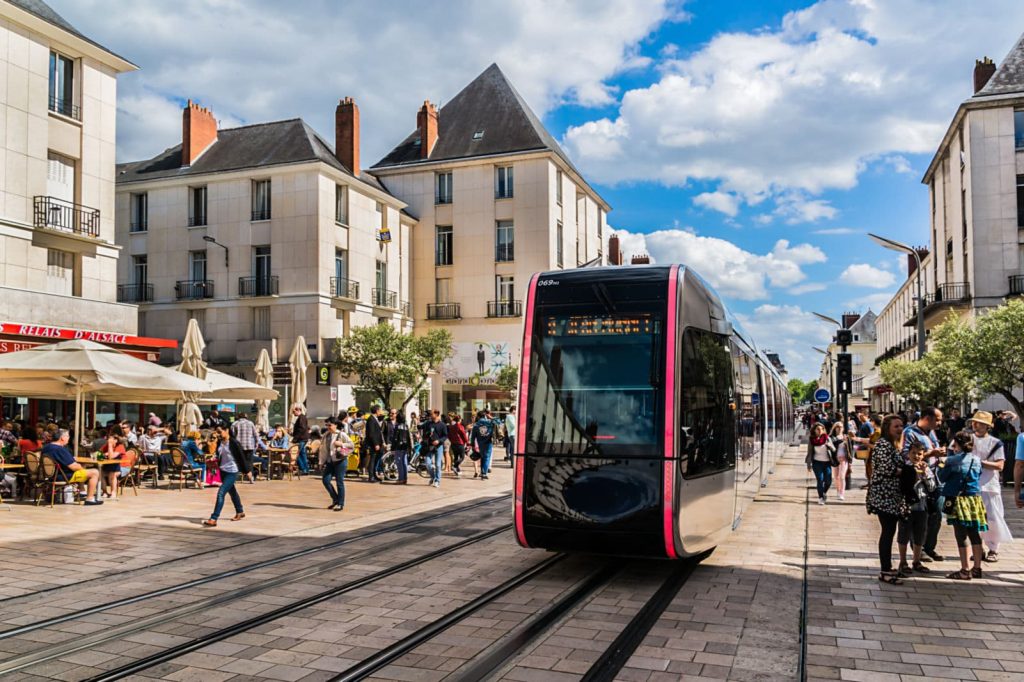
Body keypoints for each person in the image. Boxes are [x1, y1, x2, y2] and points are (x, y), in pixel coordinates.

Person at [866, 414, 910, 585]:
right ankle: (885, 570)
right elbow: (887, 469)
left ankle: (887, 567)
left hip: (891, 495)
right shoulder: (884, 445)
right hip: (884, 496)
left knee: (889, 531)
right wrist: (908, 471)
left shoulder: (891, 445)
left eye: (901, 426)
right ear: (887, 429)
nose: (900, 429)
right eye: (896, 427)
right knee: (887, 532)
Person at [938, 431, 988, 580]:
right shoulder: (977, 460)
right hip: (974, 499)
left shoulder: (952, 461)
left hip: (957, 499)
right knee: (974, 533)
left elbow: (941, 477)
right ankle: (977, 568)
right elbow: (978, 475)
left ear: (957, 444)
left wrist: (941, 462)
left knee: (961, 534)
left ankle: (965, 570)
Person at [902, 407, 946, 562]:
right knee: (920, 515)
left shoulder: (932, 433)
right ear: (927, 418)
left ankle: (929, 547)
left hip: (935, 478)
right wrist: (930, 454)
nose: (940, 423)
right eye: (938, 419)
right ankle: (917, 549)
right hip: (919, 481)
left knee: (937, 513)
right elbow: (907, 457)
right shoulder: (910, 433)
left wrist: (940, 455)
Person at [969, 411, 1012, 562]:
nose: (975, 424)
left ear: (987, 426)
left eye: (979, 422)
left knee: (993, 518)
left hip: (989, 486)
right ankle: (977, 548)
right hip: (971, 486)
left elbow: (1000, 465)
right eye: (974, 421)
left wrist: (979, 462)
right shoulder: (968, 439)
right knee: (974, 520)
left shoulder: (995, 443)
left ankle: (993, 549)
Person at [896, 442, 937, 576]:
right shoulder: (904, 467)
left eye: (919, 454)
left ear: (923, 455)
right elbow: (901, 486)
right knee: (904, 534)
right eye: (913, 453)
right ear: (908, 454)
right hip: (906, 505)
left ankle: (916, 560)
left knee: (920, 534)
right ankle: (902, 561)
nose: (916, 456)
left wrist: (925, 474)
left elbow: (932, 487)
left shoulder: (926, 468)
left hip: (922, 506)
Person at [203, 424, 249, 527]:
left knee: (221, 493)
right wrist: (213, 459)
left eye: (220, 432)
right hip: (222, 470)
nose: (218, 434)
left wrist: (247, 471)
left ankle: (214, 518)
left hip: (232, 471)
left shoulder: (234, 443)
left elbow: (242, 457)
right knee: (232, 492)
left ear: (226, 430)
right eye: (217, 432)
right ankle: (240, 511)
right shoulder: (220, 442)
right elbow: (218, 454)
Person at [42, 429, 102, 505]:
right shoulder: (60, 449)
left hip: (50, 475)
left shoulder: (46, 447)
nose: (69, 437)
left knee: (83, 469)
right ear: (62, 438)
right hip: (63, 476)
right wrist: (81, 468)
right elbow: (74, 467)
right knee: (94, 472)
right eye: (67, 436)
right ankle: (90, 499)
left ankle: (82, 491)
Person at [320, 420, 352, 511]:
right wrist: (321, 462)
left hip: (340, 461)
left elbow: (351, 445)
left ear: (336, 425)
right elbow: (323, 450)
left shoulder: (341, 434)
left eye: (330, 425)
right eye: (327, 425)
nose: (328, 427)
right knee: (326, 480)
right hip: (330, 461)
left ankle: (340, 503)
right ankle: (335, 499)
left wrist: (341, 444)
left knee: (339, 482)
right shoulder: (326, 435)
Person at [805, 423, 835, 505]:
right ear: (814, 430)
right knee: (820, 480)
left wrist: (829, 446)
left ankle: (824, 492)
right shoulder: (812, 440)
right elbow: (810, 453)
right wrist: (809, 465)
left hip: (827, 463)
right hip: (817, 463)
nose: (820, 430)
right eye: (818, 429)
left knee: (828, 481)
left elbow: (834, 449)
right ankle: (821, 497)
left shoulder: (827, 438)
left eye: (822, 429)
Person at [98, 429, 128, 499]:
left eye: (110, 439)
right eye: (108, 439)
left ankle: (113, 493)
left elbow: (111, 457)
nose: (109, 440)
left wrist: (110, 446)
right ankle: (104, 492)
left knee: (112, 474)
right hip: (110, 466)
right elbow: (99, 453)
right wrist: (104, 453)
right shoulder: (107, 445)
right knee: (99, 473)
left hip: (123, 467)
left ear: (116, 440)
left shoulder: (120, 446)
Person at [230, 412, 259, 483]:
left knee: (238, 462)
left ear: (238, 417)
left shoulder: (235, 424)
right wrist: (256, 443)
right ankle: (250, 478)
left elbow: (232, 436)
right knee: (249, 462)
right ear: (246, 417)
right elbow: (256, 434)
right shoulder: (251, 423)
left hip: (239, 447)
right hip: (249, 445)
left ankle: (235, 478)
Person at [471, 410, 497, 480]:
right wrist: (490, 417)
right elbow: (499, 422)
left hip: (480, 444)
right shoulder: (489, 422)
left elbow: (473, 437)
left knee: (483, 457)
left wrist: (472, 445)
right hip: (488, 443)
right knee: (487, 458)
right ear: (485, 416)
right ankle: (484, 473)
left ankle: (482, 472)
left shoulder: (476, 425)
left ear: (478, 416)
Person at [828, 422, 851, 502]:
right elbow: (832, 446)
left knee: (842, 477)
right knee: (836, 477)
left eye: (841, 426)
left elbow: (851, 448)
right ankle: (838, 491)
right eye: (837, 426)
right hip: (835, 459)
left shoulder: (846, 437)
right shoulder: (831, 437)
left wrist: (850, 460)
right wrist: (842, 441)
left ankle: (842, 494)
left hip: (844, 459)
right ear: (834, 428)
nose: (839, 428)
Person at [425, 410, 448, 487]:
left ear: (437, 414)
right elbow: (425, 433)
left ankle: (437, 480)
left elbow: (445, 436)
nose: (430, 415)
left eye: (432, 414)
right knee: (428, 463)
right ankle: (433, 477)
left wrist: (439, 441)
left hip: (439, 446)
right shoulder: (429, 424)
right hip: (430, 446)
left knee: (438, 464)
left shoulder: (442, 425)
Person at [364, 405, 385, 483]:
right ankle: (371, 476)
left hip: (378, 443)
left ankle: (374, 475)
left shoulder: (375, 419)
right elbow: (371, 433)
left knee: (376, 459)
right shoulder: (371, 420)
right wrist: (376, 444)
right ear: (377, 411)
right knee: (372, 460)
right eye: (380, 410)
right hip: (373, 444)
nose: (381, 411)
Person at [391, 412, 412, 484]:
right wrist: (409, 447)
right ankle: (405, 478)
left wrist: (392, 448)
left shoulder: (397, 426)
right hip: (405, 446)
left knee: (399, 462)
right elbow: (408, 437)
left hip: (398, 446)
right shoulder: (406, 426)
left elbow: (395, 438)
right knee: (404, 462)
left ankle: (401, 478)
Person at [291, 404, 310, 474]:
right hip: (303, 438)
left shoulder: (301, 418)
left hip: (301, 439)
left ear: (298, 410)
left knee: (297, 454)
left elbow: (301, 429)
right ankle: (306, 469)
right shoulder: (303, 417)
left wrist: (295, 439)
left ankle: (303, 469)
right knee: (302, 454)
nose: (293, 413)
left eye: (294, 412)